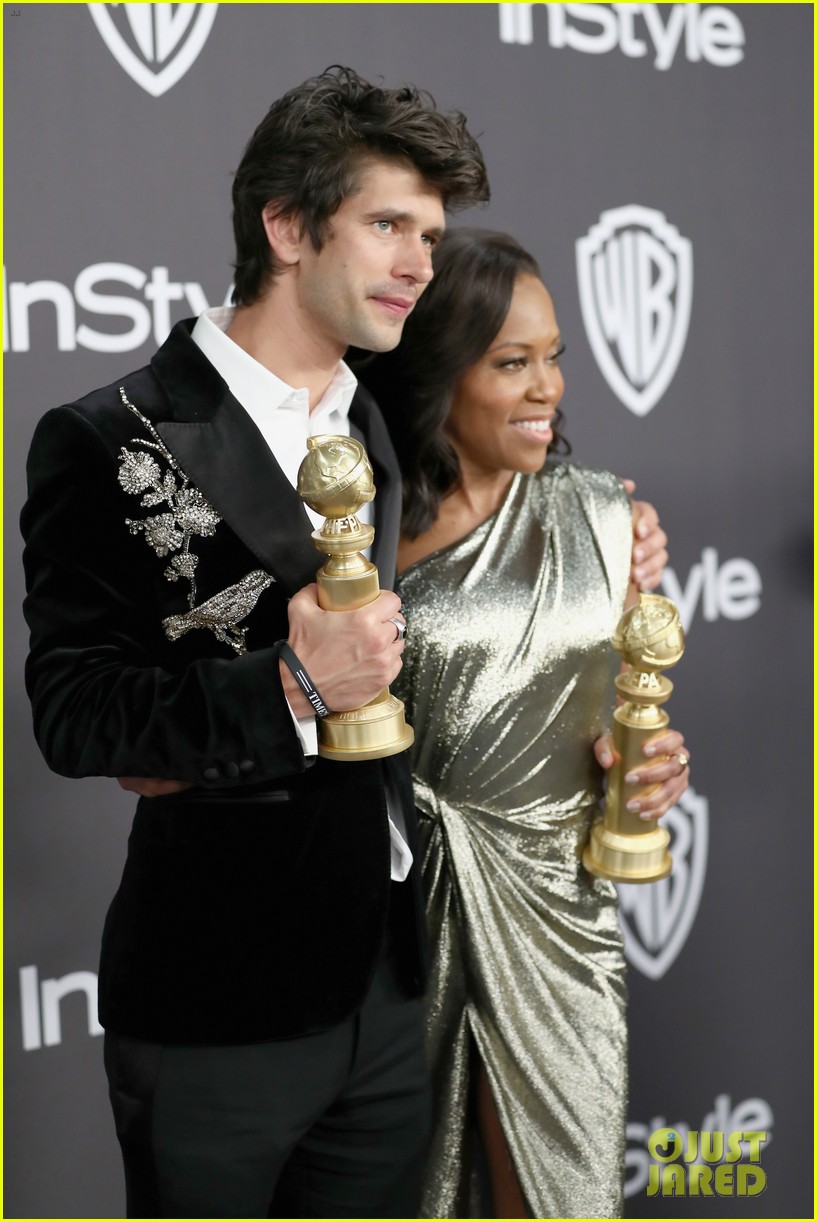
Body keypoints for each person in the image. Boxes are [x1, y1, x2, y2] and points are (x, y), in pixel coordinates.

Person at [20, 67, 490, 1220]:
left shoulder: (367, 413)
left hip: (386, 991)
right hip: (216, 1002)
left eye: (428, 233)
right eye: (388, 225)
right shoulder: (106, 437)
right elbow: (78, 713)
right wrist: (290, 685)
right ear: (286, 227)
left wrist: (607, 533)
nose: (420, 263)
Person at [360, 228, 691, 1219]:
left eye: (554, 357)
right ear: (436, 372)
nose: (547, 387)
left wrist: (651, 766)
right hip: (386, 928)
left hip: (558, 918)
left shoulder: (601, 517)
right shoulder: (360, 528)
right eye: (512, 362)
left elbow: (626, 721)